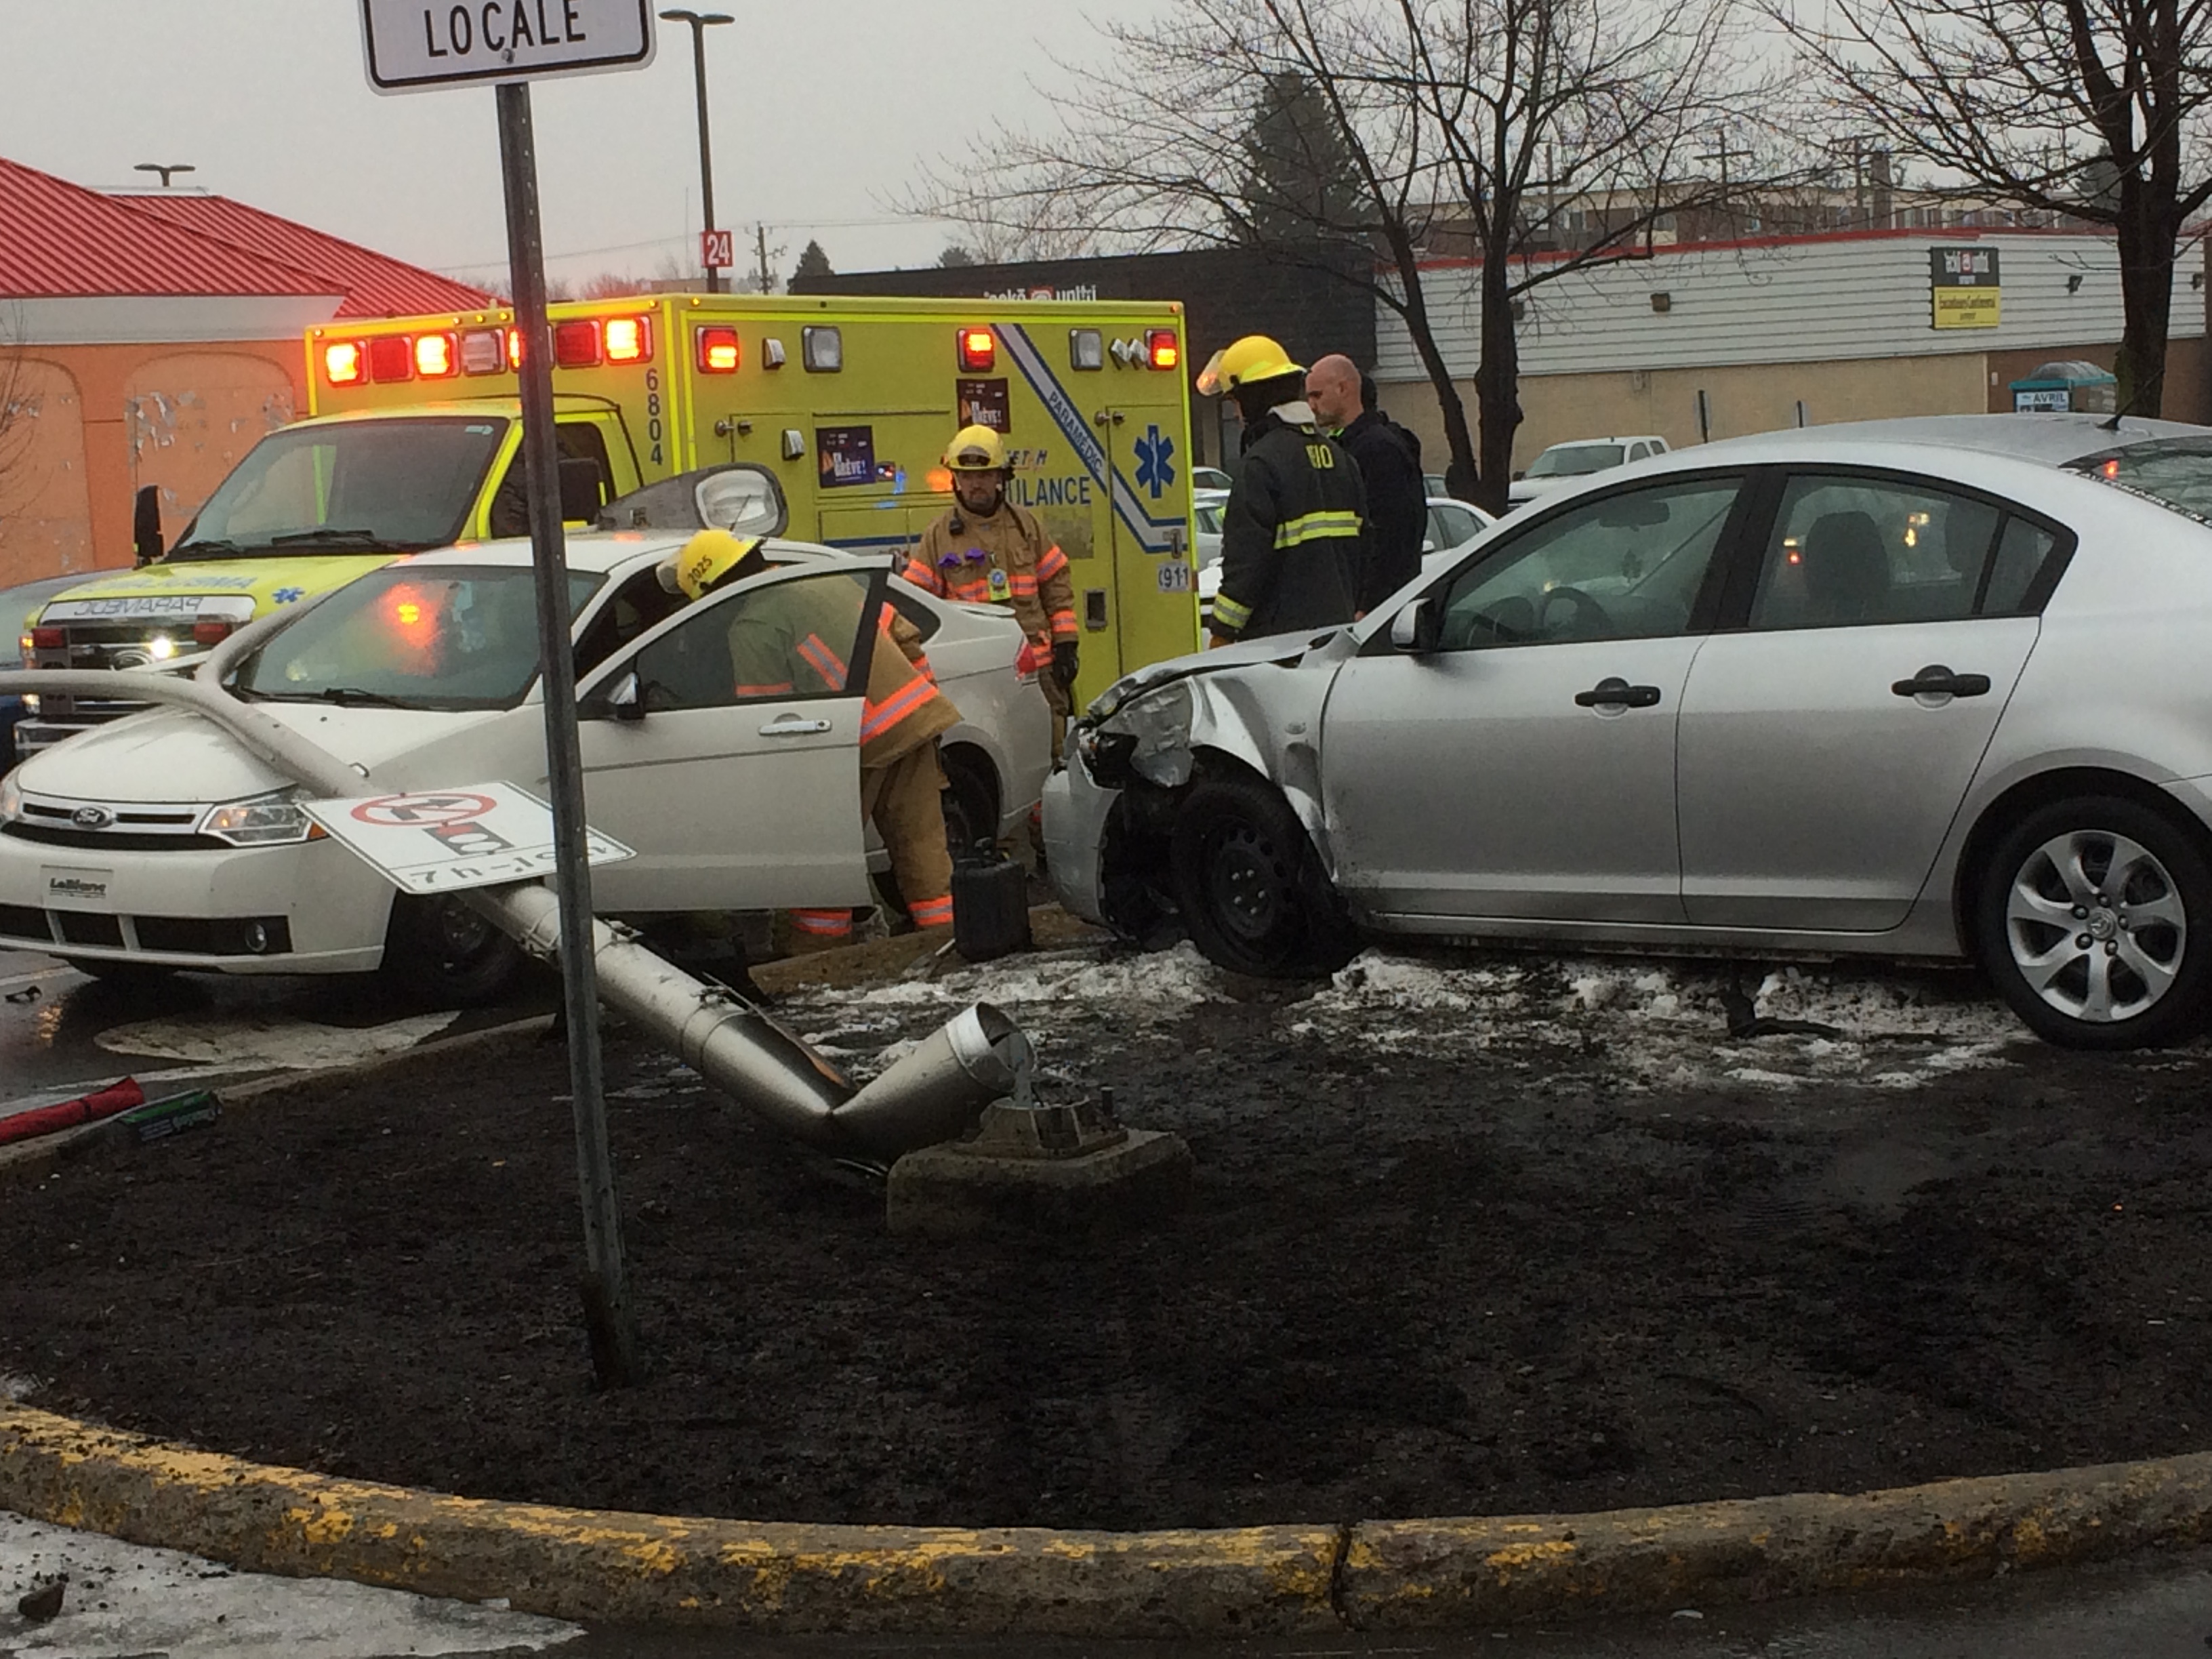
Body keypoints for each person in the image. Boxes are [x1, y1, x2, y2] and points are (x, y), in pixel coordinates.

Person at [659, 528, 960, 948]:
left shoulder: (753, 625)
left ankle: (819, 965)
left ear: (717, 589)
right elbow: (906, 637)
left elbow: (770, 721)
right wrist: (924, 711)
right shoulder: (826, 581)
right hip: (914, 725)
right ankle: (950, 945)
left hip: (849, 744)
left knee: (821, 863)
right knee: (924, 851)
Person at [902, 424, 1078, 753]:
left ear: (1001, 477)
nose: (975, 484)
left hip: (1036, 671)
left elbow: (1056, 583)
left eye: (983, 475)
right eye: (966, 476)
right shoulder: (938, 537)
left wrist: (1066, 642)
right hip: (978, 674)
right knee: (996, 752)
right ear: (955, 479)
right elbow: (915, 604)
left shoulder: (1027, 527)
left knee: (1048, 752)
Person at [1195, 335, 1365, 646]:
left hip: (1276, 649)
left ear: (1253, 397)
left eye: (1236, 402)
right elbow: (1363, 552)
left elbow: (1246, 564)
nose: (1237, 414)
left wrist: (1221, 633)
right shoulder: (1342, 459)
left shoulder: (1261, 464)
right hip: (1336, 643)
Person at [1305, 354, 1427, 617]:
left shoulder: (1378, 450)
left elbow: (1392, 533)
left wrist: (1368, 603)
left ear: (1343, 388)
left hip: (1379, 609)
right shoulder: (1343, 447)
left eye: (1316, 395)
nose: (1311, 405)